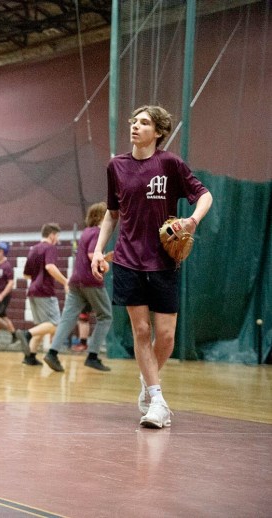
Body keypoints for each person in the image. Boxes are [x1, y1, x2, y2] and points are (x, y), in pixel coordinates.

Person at [91, 105, 212, 429]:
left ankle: (148, 383)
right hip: (128, 260)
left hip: (163, 260)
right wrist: (98, 250)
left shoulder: (170, 164)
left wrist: (191, 221)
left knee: (166, 336)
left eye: (144, 123)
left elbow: (204, 195)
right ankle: (157, 400)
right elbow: (112, 214)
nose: (135, 126)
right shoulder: (116, 166)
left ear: (158, 132)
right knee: (142, 331)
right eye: (134, 121)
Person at [43, 202, 113, 373]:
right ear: (102, 216)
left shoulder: (86, 231)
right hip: (91, 280)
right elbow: (92, 254)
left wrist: (104, 258)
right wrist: (106, 262)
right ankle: (92, 356)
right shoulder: (97, 232)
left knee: (67, 318)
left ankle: (52, 353)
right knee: (105, 316)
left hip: (76, 280)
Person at [18, 223, 69, 366]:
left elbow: (26, 275)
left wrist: (37, 276)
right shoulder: (50, 248)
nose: (57, 239)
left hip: (33, 290)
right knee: (55, 325)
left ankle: (30, 356)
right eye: (57, 236)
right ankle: (26, 334)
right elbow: (50, 266)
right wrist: (65, 281)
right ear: (51, 234)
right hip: (45, 291)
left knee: (41, 326)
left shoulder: (33, 249)